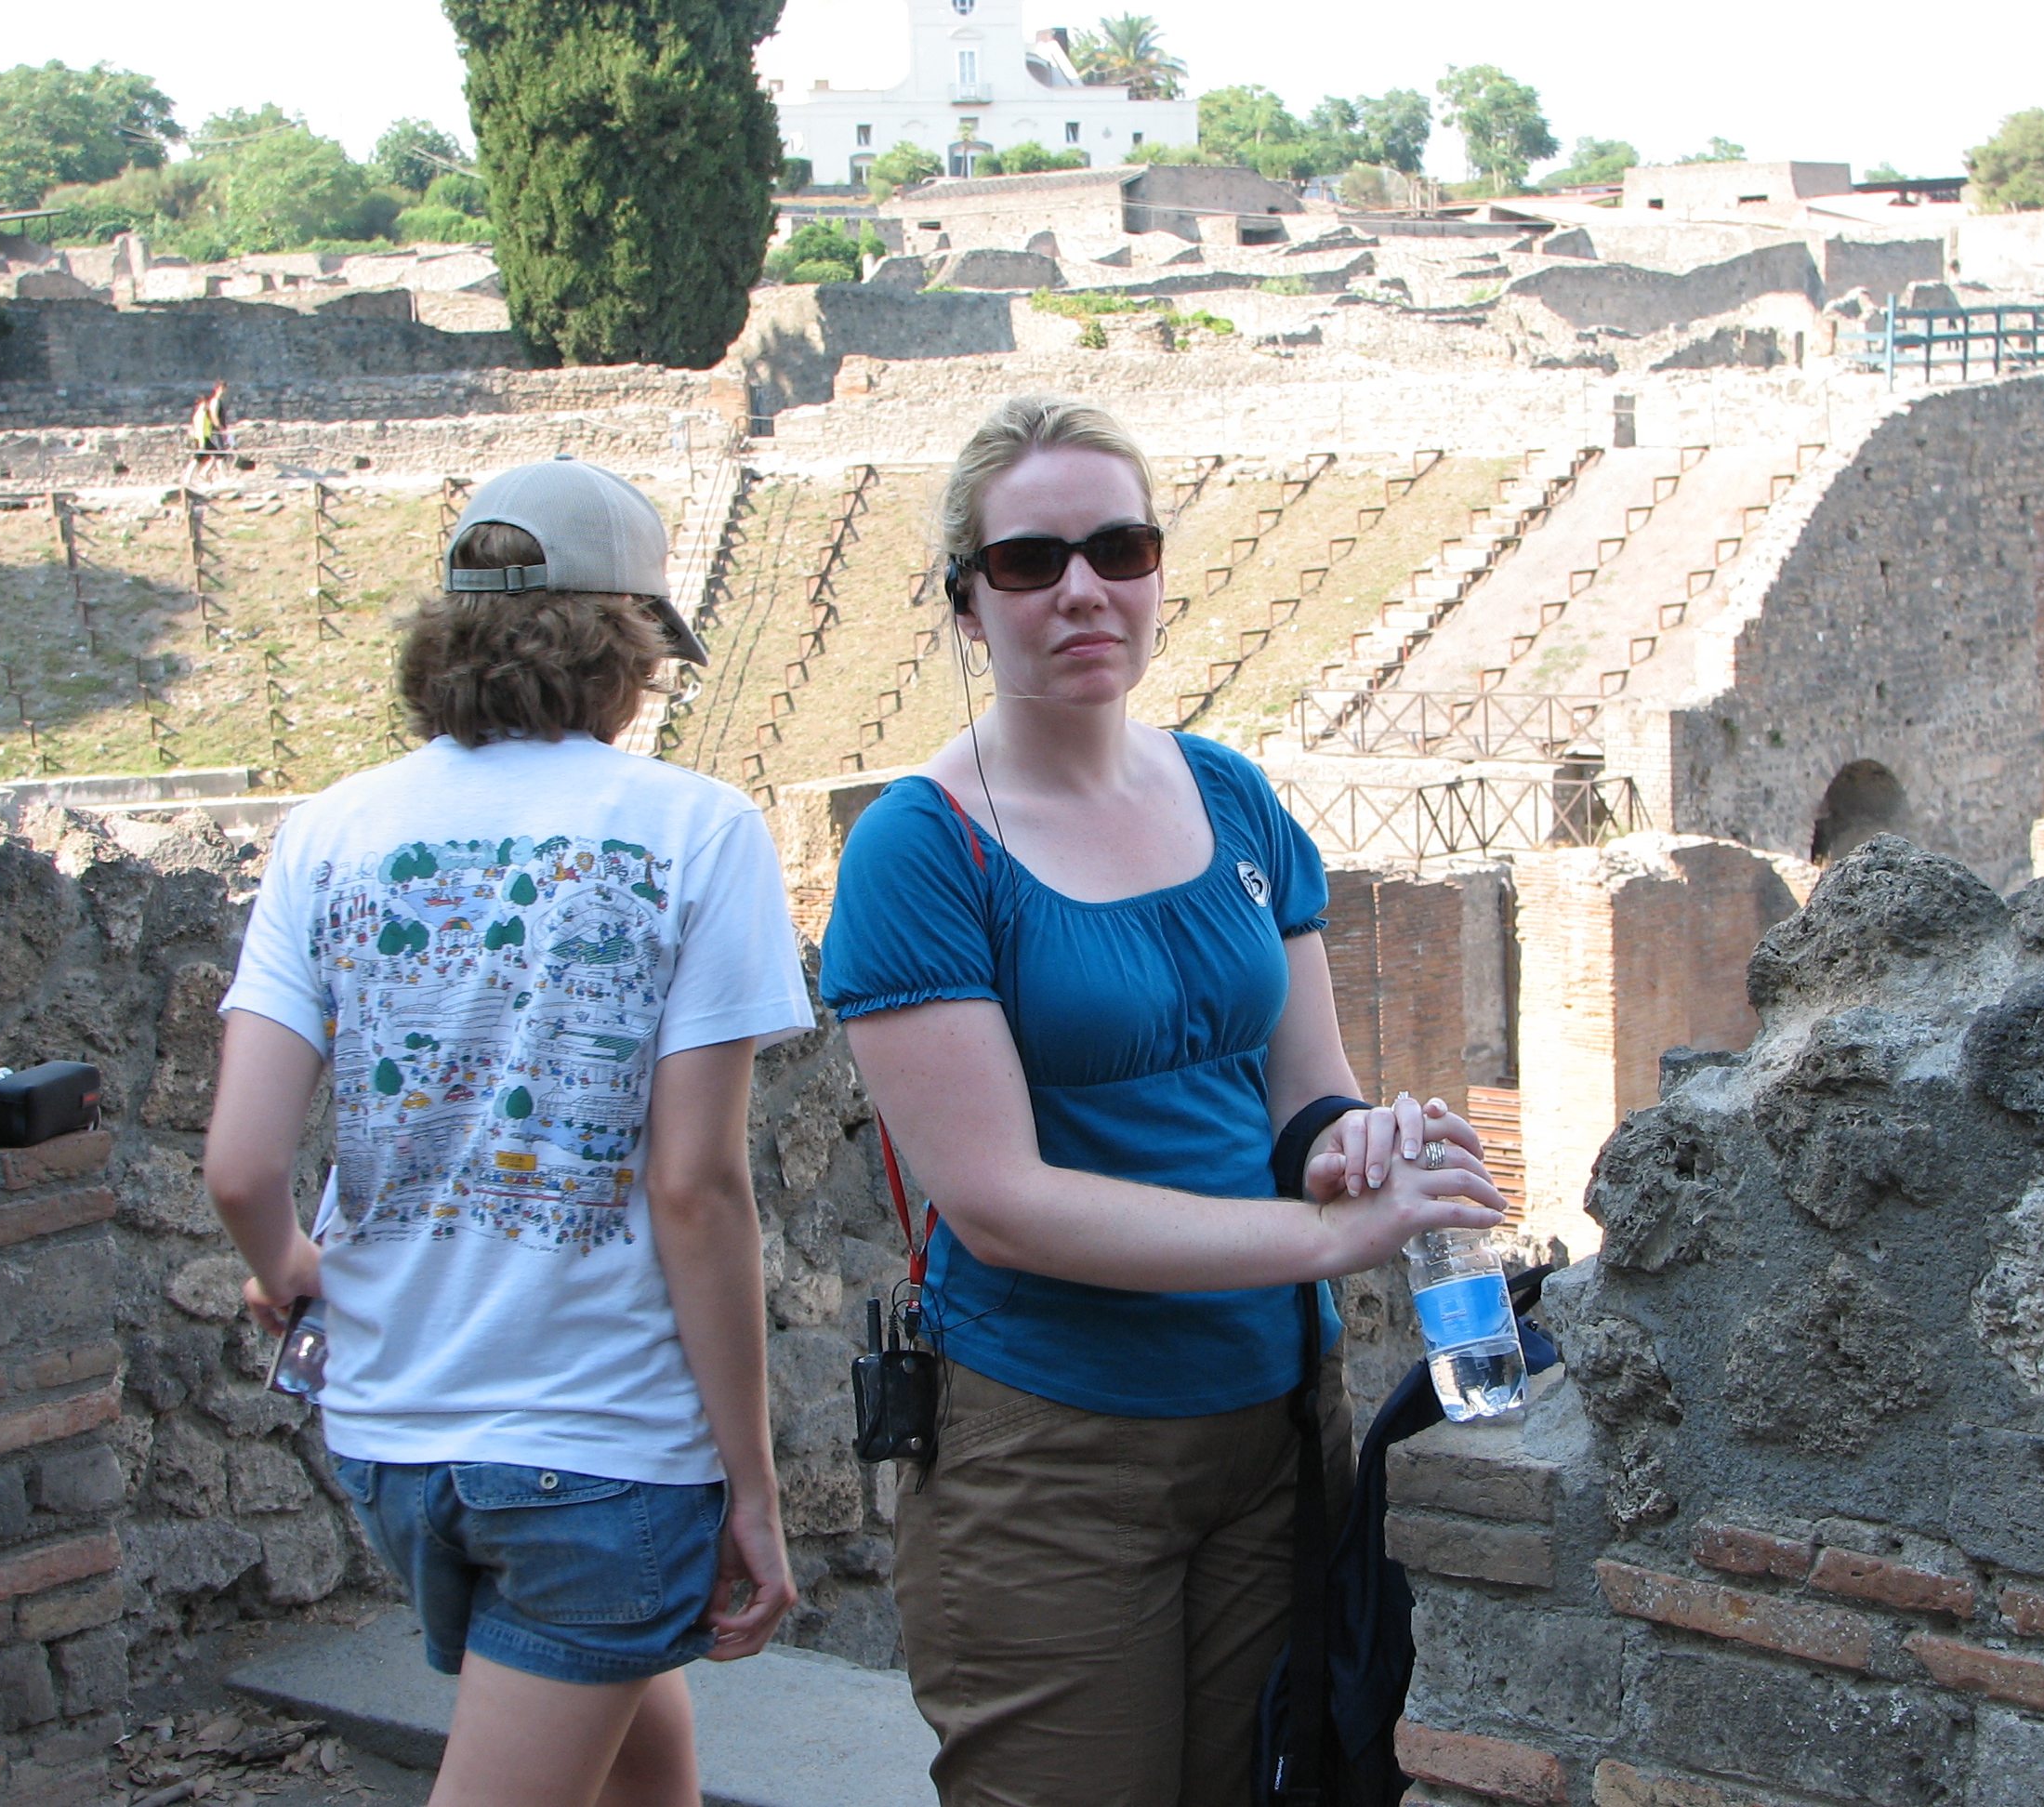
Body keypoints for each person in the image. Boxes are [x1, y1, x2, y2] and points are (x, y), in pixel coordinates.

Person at [818, 395, 1507, 1807]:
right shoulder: (919, 850)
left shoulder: (1231, 796)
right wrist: (1323, 1241)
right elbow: (1001, 1206)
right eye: (1030, 561)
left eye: (1118, 548)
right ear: (967, 604)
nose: (1082, 589)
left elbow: (1304, 1097)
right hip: (1050, 1451)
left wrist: (1362, 1149)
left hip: (1274, 1427)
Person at [203, 458, 810, 1807]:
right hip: (598, 1446)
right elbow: (696, 1190)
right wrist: (753, 1487)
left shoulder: (327, 833)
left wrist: (288, 1264)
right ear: (628, 643)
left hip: (390, 1431)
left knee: (634, 1739)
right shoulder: (697, 830)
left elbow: (241, 1168)